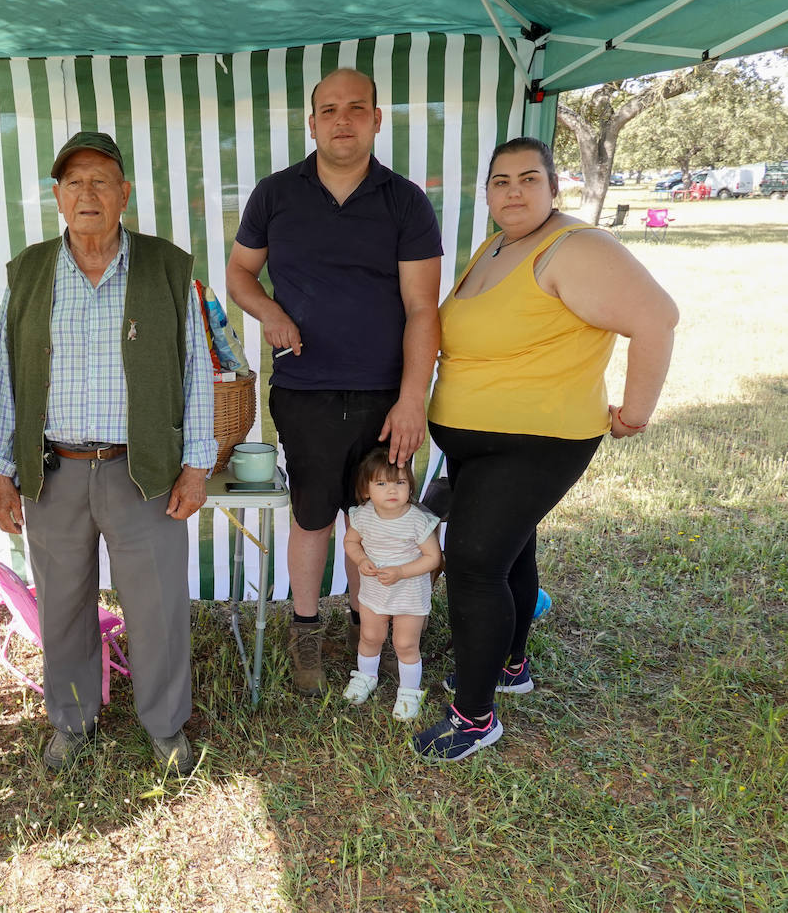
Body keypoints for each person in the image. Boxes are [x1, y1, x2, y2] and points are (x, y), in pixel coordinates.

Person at [413, 136, 678, 762]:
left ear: (554, 187)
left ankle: (475, 718)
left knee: (474, 565)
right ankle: (509, 665)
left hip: (537, 441)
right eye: (501, 181)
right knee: (509, 550)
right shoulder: (501, 243)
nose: (513, 192)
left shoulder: (575, 246)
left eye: (529, 179)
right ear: (487, 194)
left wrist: (635, 413)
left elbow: (657, 317)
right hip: (479, 444)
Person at [0, 132, 216, 775]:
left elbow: (197, 371)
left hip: (143, 471)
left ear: (124, 194)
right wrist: (1, 472)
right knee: (62, 606)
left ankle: (165, 726)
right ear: (56, 196)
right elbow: (6, 376)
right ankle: (72, 720)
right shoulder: (28, 272)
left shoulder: (167, 267)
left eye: (101, 180)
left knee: (159, 604)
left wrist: (197, 465)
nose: (88, 193)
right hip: (55, 471)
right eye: (74, 182)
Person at [225, 67, 443, 697]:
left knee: (379, 512)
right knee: (314, 514)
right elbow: (240, 273)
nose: (341, 120)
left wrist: (411, 399)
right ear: (311, 121)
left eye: (356, 108)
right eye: (328, 109)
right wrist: (270, 313)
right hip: (304, 389)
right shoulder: (274, 194)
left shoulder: (405, 200)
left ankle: (368, 629)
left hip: (385, 393)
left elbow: (423, 308)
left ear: (377, 119)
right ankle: (306, 637)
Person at [339, 448, 441, 721]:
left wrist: (402, 571)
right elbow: (351, 541)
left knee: (405, 643)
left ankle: (409, 691)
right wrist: (360, 560)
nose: (391, 490)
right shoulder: (363, 515)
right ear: (366, 489)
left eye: (400, 482)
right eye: (381, 484)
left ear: (410, 485)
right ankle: (365, 677)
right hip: (374, 591)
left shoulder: (418, 521)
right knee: (370, 636)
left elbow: (433, 558)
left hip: (408, 594)